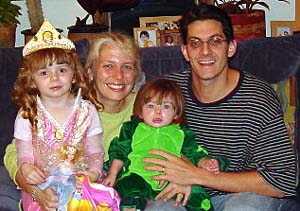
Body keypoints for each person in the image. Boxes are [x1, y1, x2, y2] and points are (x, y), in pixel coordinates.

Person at [4, 32, 187, 211]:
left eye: (127, 67)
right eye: (108, 66)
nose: (118, 76)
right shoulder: (66, 104)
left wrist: (187, 178)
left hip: (136, 190)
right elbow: (15, 154)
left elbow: (178, 141)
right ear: (90, 72)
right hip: (62, 187)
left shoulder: (151, 106)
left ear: (136, 74)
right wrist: (35, 191)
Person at [142, 4, 297, 211]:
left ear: (231, 47)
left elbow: (283, 180)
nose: (205, 51)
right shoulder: (169, 92)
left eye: (215, 41)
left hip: (243, 195)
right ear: (185, 51)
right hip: (185, 194)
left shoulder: (257, 98)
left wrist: (200, 176)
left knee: (243, 207)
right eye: (195, 43)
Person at [12, 20, 115, 211]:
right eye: (44, 72)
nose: (54, 78)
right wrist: (26, 168)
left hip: (79, 184)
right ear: (32, 81)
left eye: (62, 70)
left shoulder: (87, 111)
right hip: (43, 188)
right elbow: (24, 153)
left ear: (74, 75)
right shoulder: (28, 114)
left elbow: (95, 152)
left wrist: (91, 174)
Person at [103, 78, 229, 211]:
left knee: (195, 193)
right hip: (138, 174)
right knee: (125, 187)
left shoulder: (180, 132)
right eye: (151, 106)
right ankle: (131, 206)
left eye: (166, 107)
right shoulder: (132, 128)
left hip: (172, 179)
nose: (158, 112)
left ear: (176, 113)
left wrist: (205, 162)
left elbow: (194, 152)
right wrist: (112, 173)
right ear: (140, 111)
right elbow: (120, 151)